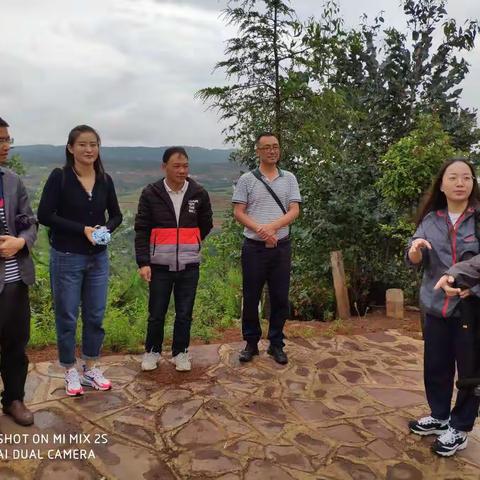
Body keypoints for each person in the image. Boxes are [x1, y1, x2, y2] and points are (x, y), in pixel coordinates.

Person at [37, 125, 122, 396]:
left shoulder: (104, 179)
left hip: (98, 258)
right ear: (71, 148)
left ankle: (91, 367)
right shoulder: (60, 177)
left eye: (93, 144)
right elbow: (45, 215)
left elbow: (117, 215)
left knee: (95, 315)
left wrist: (105, 230)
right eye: (83, 144)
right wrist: (83, 230)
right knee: (68, 316)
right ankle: (69, 369)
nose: (88, 149)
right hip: (66, 257)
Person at [406, 157, 480, 457]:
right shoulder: (431, 218)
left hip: (470, 306)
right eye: (453, 177)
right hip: (435, 305)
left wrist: (465, 281)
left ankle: (460, 428)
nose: (460, 183)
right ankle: (439, 416)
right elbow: (414, 256)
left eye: (466, 177)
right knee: (436, 364)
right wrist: (415, 250)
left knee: (470, 371)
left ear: (473, 183)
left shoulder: (478, 218)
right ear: (442, 184)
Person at [135, 147, 213, 372]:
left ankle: (181, 352)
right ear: (164, 167)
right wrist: (143, 262)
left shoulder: (198, 193)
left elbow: (205, 224)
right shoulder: (151, 193)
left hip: (189, 264)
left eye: (185, 166)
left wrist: (192, 242)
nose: (182, 170)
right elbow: (141, 229)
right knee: (156, 312)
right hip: (159, 264)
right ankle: (152, 351)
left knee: (184, 312)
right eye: (176, 166)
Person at [232, 132, 301, 365]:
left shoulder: (289, 178)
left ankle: (276, 344)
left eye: (276, 146)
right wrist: (261, 231)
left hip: (281, 247)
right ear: (258, 151)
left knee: (280, 297)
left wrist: (271, 228)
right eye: (267, 147)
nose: (273, 151)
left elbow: (294, 210)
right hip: (254, 248)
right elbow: (239, 212)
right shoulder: (247, 180)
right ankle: (251, 343)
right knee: (251, 297)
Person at [0, 117, 37, 425]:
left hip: (15, 279)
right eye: (0, 140)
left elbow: (29, 221)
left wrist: (20, 241)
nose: (6, 146)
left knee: (15, 343)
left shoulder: (12, 180)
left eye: (8, 139)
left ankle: (14, 399)